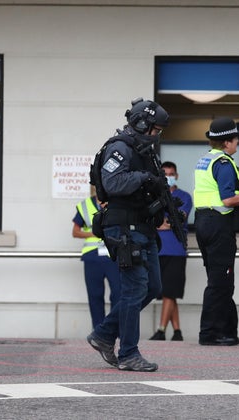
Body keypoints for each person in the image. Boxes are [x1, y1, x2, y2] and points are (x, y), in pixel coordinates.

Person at [86, 98, 169, 372]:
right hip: (124, 229)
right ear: (142, 124)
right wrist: (144, 179)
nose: (157, 135)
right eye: (155, 130)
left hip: (143, 227)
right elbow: (113, 182)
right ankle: (129, 353)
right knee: (134, 291)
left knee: (153, 287)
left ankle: (104, 334)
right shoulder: (120, 148)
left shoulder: (143, 150)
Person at [194, 117, 239, 346]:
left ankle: (227, 331)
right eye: (235, 140)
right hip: (218, 224)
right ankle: (210, 333)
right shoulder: (223, 163)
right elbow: (227, 198)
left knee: (219, 279)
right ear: (226, 142)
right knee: (220, 282)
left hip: (204, 221)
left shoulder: (204, 160)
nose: (237, 144)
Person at [149, 161, 192, 341]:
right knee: (168, 292)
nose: (169, 176)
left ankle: (160, 330)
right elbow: (151, 220)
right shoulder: (155, 197)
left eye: (171, 173)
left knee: (169, 291)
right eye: (165, 173)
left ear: (177, 175)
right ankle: (177, 331)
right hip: (158, 250)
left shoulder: (185, 196)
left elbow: (175, 220)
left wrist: (160, 223)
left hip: (176, 250)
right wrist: (160, 223)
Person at [72, 187, 120, 329]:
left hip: (113, 256)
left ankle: (113, 329)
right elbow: (75, 232)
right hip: (92, 257)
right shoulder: (85, 205)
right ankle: (99, 330)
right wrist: (94, 234)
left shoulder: (116, 204)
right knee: (95, 296)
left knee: (118, 294)